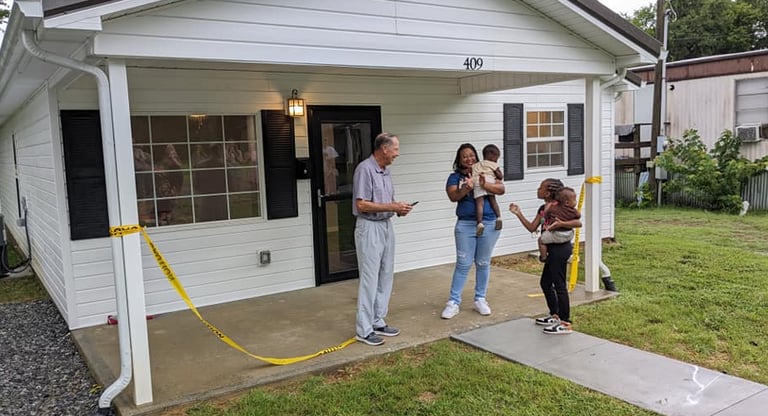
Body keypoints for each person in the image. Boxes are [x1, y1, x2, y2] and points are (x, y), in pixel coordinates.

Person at [352, 132, 414, 346]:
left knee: (386, 274)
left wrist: (399, 208)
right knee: (370, 278)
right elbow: (362, 204)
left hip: (386, 225)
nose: (397, 153)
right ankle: (364, 329)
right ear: (384, 149)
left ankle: (377, 320)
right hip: (369, 228)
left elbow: (387, 202)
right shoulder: (365, 169)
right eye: (395, 149)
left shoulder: (386, 172)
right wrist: (392, 206)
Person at [508, 179, 582, 335]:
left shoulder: (563, 208)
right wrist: (518, 213)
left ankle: (565, 322)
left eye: (540, 187)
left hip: (560, 249)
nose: (538, 189)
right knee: (546, 283)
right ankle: (555, 315)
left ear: (547, 193)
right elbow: (532, 228)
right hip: (550, 249)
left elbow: (577, 222)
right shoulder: (543, 208)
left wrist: (560, 223)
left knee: (559, 285)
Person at [441, 143, 505, 320]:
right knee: (463, 264)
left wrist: (485, 184)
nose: (469, 159)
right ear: (459, 160)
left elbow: (501, 189)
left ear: (477, 157)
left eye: (471, 155)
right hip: (466, 225)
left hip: (490, 223)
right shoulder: (454, 177)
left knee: (483, 262)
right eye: (464, 156)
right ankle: (453, 302)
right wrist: (468, 187)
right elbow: (453, 196)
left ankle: (480, 299)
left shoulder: (486, 170)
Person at [537, 186, 580, 262]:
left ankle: (543, 257)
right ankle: (569, 255)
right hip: (569, 235)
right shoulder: (574, 211)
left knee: (541, 240)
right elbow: (578, 217)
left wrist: (548, 207)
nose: (575, 201)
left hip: (557, 234)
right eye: (574, 200)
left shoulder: (554, 208)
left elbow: (545, 213)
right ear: (567, 202)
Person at [472, 144, 503, 236]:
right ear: (491, 155)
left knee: (479, 204)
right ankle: (498, 217)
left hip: (477, 181)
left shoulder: (476, 165)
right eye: (496, 157)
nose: (497, 160)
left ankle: (480, 223)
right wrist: (498, 173)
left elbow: (473, 174)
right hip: (489, 180)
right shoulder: (492, 164)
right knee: (492, 200)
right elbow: (500, 176)